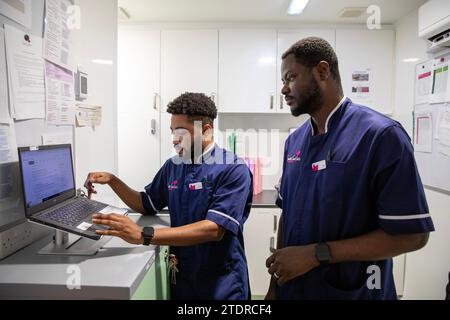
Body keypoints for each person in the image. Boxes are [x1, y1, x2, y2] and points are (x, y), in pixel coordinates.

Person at [265, 37, 435, 300]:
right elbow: (287, 214)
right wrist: (275, 286)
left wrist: (315, 255)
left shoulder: (380, 135)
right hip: (295, 289)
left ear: (322, 71)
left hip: (354, 292)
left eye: (290, 77)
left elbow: (413, 235)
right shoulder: (295, 141)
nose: (284, 89)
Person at [86, 92, 253, 300]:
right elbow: (147, 203)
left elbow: (214, 229)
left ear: (206, 131)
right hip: (183, 278)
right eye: (173, 131)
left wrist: (144, 235)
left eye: (181, 132)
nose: (174, 139)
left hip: (220, 283)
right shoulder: (173, 166)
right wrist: (113, 181)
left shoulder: (233, 169)